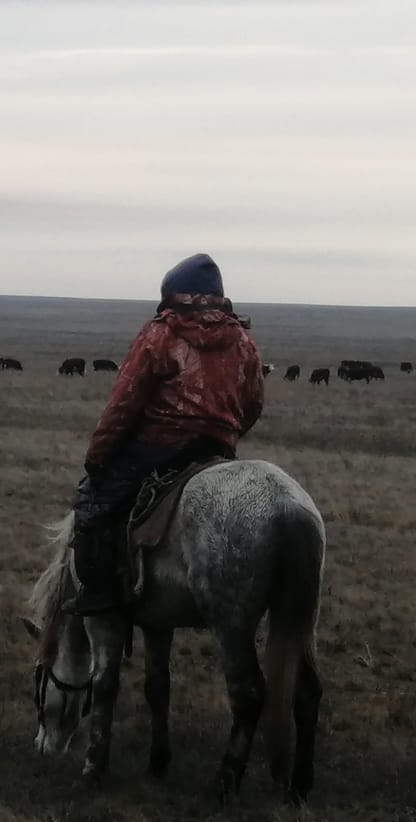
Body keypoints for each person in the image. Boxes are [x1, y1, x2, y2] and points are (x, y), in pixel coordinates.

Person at [64, 253, 265, 616]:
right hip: (217, 449)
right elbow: (252, 403)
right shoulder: (243, 340)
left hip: (160, 445)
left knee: (93, 506)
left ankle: (99, 593)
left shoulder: (160, 334)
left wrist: (97, 456)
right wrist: (227, 434)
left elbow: (124, 403)